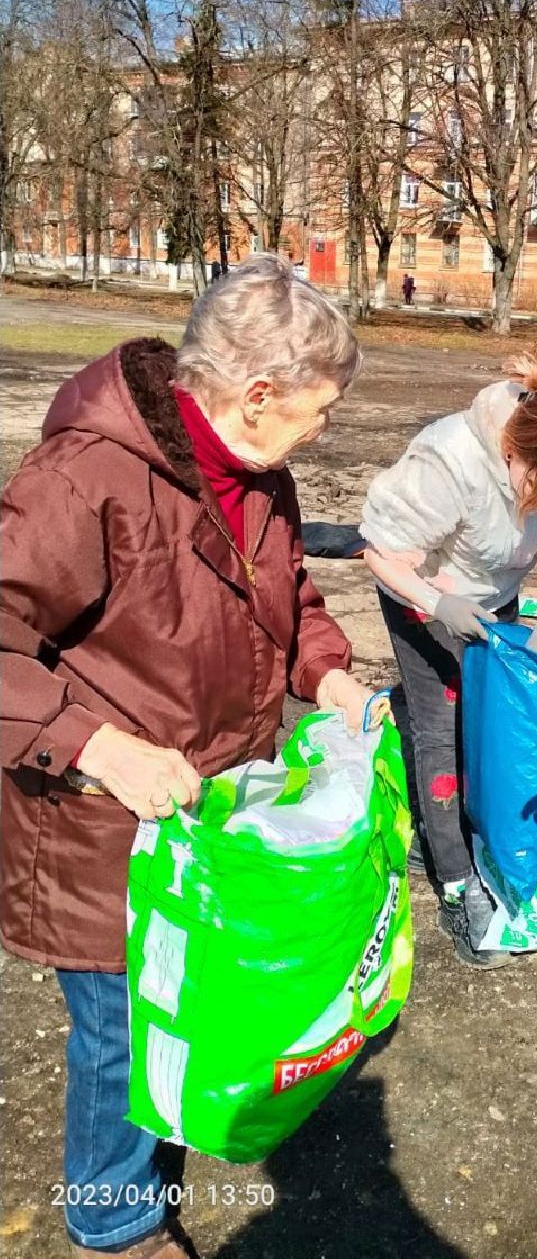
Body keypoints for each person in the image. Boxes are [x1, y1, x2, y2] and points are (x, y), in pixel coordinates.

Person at [0, 255, 382, 1259]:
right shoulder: (85, 478)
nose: (322, 429)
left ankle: (149, 1172)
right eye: (318, 410)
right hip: (98, 823)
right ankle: (114, 1224)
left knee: (181, 1008)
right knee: (122, 1029)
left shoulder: (262, 476)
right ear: (256, 394)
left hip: (205, 815)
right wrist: (99, 745)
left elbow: (289, 599)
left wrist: (330, 673)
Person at [361, 355, 537, 968]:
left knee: (486, 723)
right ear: (510, 455)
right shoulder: (449, 460)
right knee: (442, 731)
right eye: (535, 490)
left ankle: (459, 835)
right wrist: (438, 602)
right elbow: (382, 553)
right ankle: (455, 884)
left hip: (496, 597)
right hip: (420, 590)